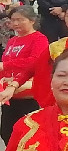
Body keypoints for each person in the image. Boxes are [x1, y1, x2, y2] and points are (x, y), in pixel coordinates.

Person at [0, 7, 48, 142]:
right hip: (9, 94)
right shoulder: (12, 40)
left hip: (28, 93)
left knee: (27, 133)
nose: (15, 24)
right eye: (13, 20)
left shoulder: (39, 38)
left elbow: (35, 61)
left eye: (20, 20)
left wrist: (5, 66)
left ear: (32, 20)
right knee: (6, 132)